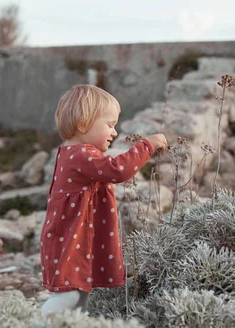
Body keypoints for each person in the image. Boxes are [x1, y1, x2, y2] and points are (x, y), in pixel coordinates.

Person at [40, 84, 167, 317]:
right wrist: (147, 145)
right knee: (69, 295)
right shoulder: (80, 154)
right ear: (83, 123)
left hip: (72, 239)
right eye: (110, 125)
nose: (115, 132)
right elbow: (118, 170)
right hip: (71, 242)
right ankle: (32, 322)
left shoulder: (74, 153)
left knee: (80, 297)